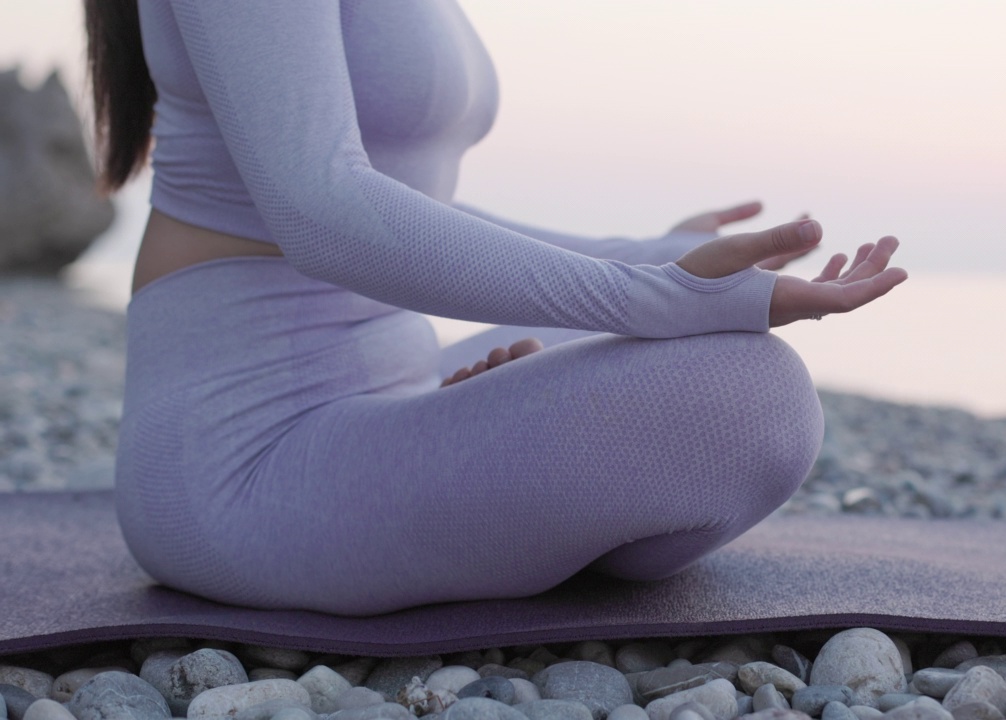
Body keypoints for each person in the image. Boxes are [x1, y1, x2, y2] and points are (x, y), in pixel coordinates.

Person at [87, 0, 908, 616]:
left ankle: (505, 493)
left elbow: (406, 206)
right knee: (747, 397)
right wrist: (655, 296)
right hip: (246, 455)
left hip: (397, 377)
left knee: (690, 362)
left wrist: (650, 254)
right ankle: (528, 507)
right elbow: (321, 210)